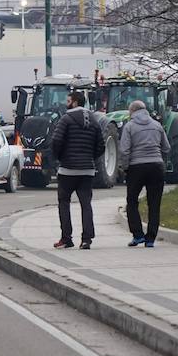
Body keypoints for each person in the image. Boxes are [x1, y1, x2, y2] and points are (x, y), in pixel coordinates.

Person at [50, 90, 104, 249]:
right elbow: (101, 145)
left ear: (74, 102)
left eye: (68, 101)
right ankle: (87, 239)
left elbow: (56, 140)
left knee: (64, 202)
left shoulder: (65, 119)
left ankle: (66, 238)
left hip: (68, 170)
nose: (66, 103)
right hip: (87, 170)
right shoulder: (94, 120)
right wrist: (89, 158)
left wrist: (60, 158)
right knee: (86, 204)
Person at [118, 99, 170, 248]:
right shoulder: (157, 125)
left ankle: (138, 235)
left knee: (132, 201)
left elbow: (124, 150)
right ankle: (150, 239)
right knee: (154, 204)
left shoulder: (129, 126)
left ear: (132, 111)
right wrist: (159, 159)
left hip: (136, 168)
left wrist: (125, 167)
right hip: (156, 167)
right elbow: (166, 147)